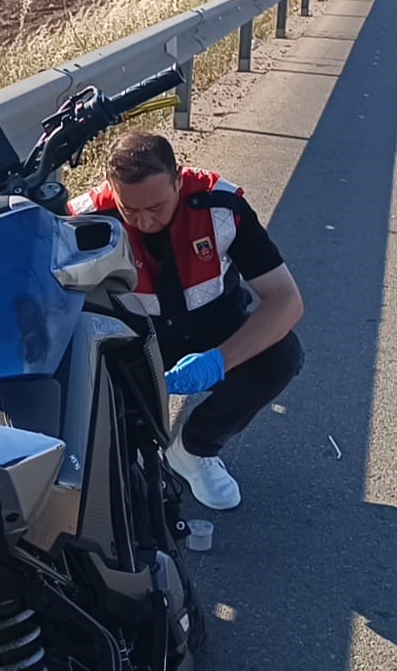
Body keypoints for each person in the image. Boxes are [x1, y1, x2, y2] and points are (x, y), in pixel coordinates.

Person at [69, 132, 305, 511]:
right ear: (111, 188)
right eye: (130, 210)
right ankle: (130, 444)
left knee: (282, 356)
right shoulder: (85, 220)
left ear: (178, 179)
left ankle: (195, 448)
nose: (145, 221)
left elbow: (286, 300)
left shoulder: (220, 206)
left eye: (157, 207)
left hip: (212, 327)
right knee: (120, 488)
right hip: (133, 341)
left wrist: (220, 361)